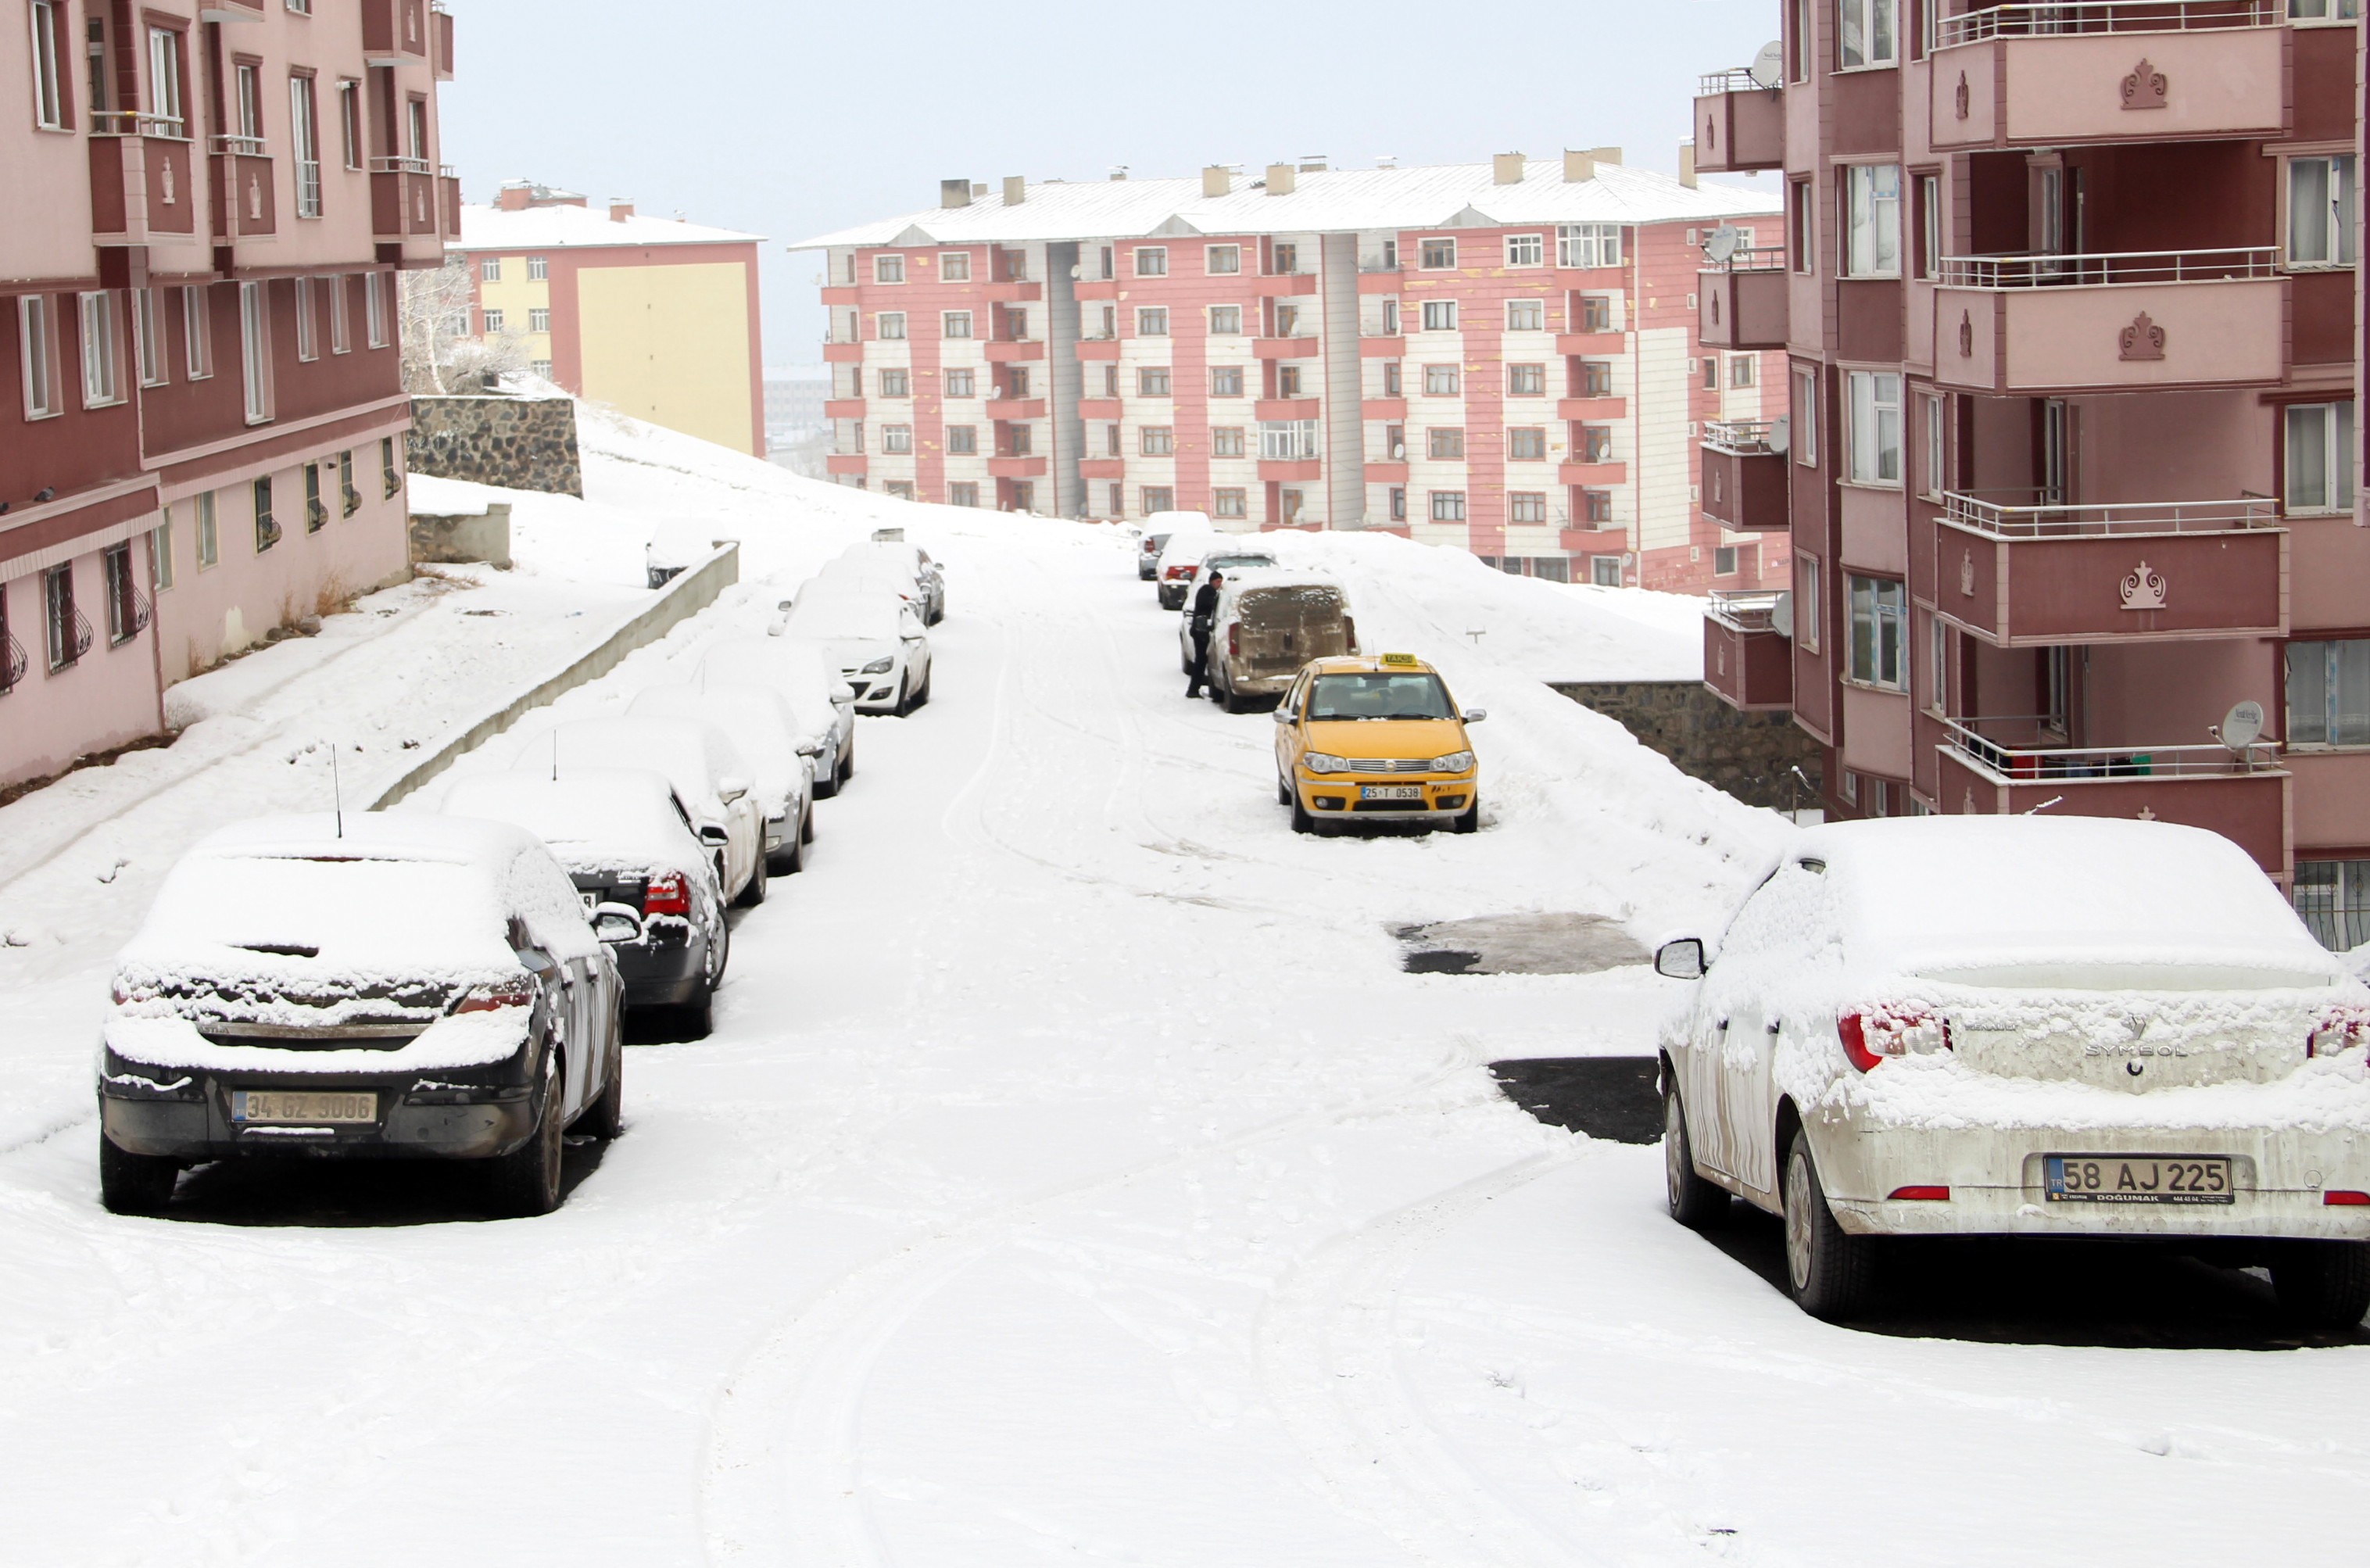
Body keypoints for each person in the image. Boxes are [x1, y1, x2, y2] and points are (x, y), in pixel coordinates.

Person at [1185, 571, 1223, 699]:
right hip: (1200, 632)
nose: (1220, 584)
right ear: (1212, 581)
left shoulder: (1211, 592)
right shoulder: (1206, 591)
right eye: (1218, 581)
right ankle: (1193, 690)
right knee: (1201, 660)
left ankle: (1195, 688)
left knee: (1202, 660)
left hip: (1202, 631)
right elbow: (1208, 603)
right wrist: (1219, 600)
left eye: (1221, 581)